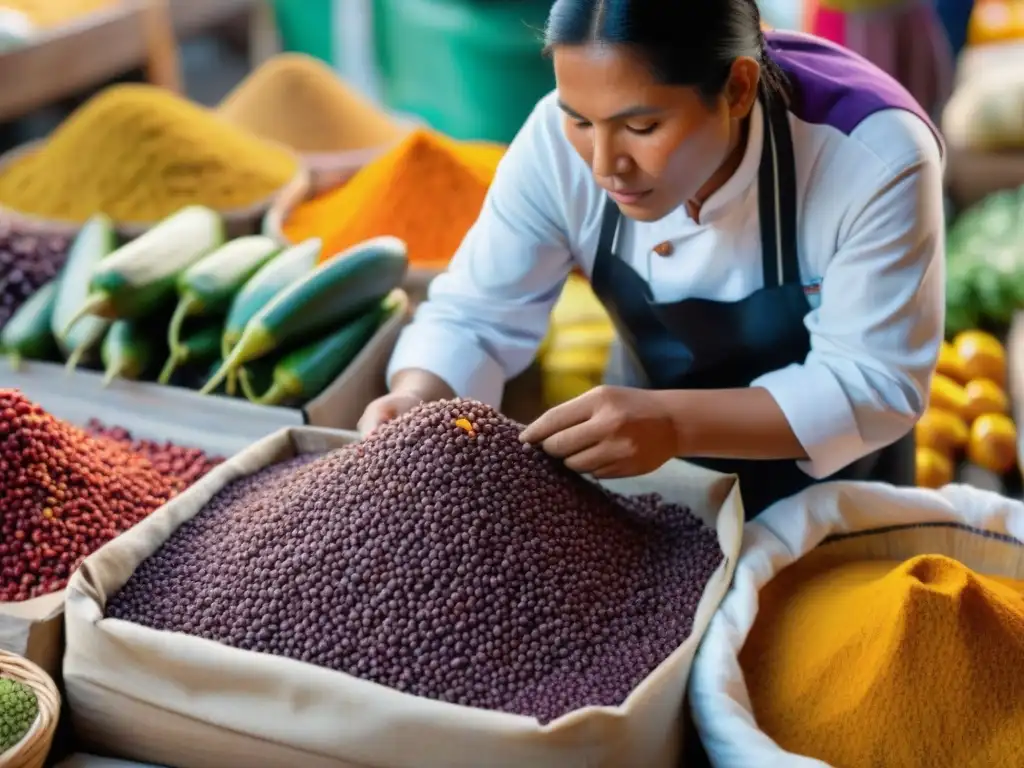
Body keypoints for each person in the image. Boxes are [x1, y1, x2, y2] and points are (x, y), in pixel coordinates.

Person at [358, 0, 946, 518]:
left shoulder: (874, 155)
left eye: (641, 126)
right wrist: (416, 400)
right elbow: (474, 316)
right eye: (581, 121)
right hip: (645, 492)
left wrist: (671, 423)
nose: (604, 164)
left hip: (837, 497)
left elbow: (872, 382)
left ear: (738, 89)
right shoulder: (554, 142)